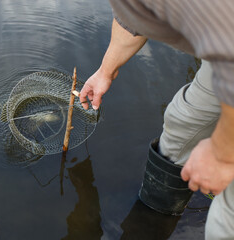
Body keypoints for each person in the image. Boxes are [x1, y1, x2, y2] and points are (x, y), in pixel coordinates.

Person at [79, 1, 234, 239]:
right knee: (183, 119)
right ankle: (150, 224)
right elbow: (132, 16)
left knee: (224, 222)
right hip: (224, 55)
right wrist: (105, 72)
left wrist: (222, 156)